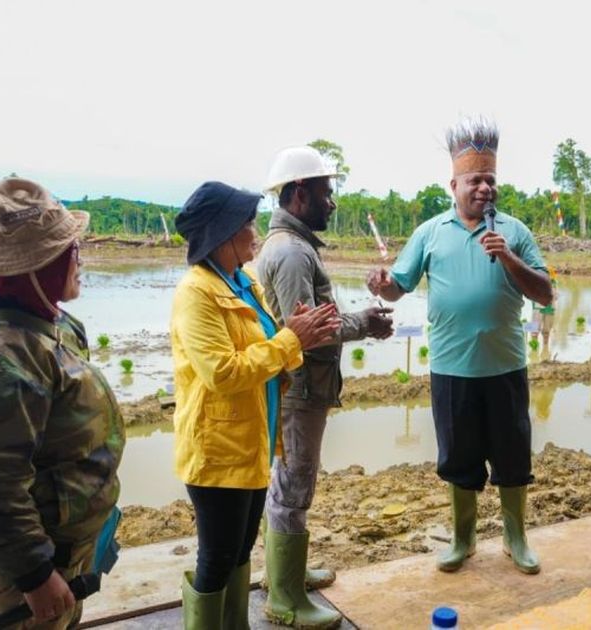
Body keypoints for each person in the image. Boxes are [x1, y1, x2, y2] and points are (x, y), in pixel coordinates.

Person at [366, 119, 554, 574]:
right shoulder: (431, 232)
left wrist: (507, 255)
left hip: (506, 366)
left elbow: (546, 293)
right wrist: (382, 285)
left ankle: (515, 538)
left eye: (491, 180)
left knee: (512, 457)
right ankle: (464, 539)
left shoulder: (516, 231)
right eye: (476, 180)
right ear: (454, 184)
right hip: (451, 369)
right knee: (458, 458)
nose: (485, 188)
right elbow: (399, 288)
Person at [0, 177, 123, 629]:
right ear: (32, 269)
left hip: (68, 546)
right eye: (66, 251)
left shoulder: (49, 323)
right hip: (35, 560)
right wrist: (36, 576)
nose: (78, 258)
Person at [170, 181, 341, 629]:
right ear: (225, 233)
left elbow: (271, 348)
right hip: (217, 450)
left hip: (253, 441)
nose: (255, 231)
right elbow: (223, 373)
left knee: (242, 547)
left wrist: (300, 337)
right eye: (247, 223)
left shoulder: (243, 282)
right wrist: (292, 338)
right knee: (217, 554)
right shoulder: (197, 292)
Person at [255, 146, 394, 627]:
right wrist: (365, 323)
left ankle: (284, 574)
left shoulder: (290, 245)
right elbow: (309, 332)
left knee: (288, 481)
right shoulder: (292, 253)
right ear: (298, 195)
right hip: (301, 388)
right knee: (295, 486)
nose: (331, 203)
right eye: (324, 192)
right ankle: (285, 598)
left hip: (300, 386)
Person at [529, 267, 558, 353]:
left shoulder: (554, 282)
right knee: (534, 329)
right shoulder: (535, 281)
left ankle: (545, 348)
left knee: (547, 329)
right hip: (538, 307)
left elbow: (556, 296)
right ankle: (534, 349)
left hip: (549, 308)